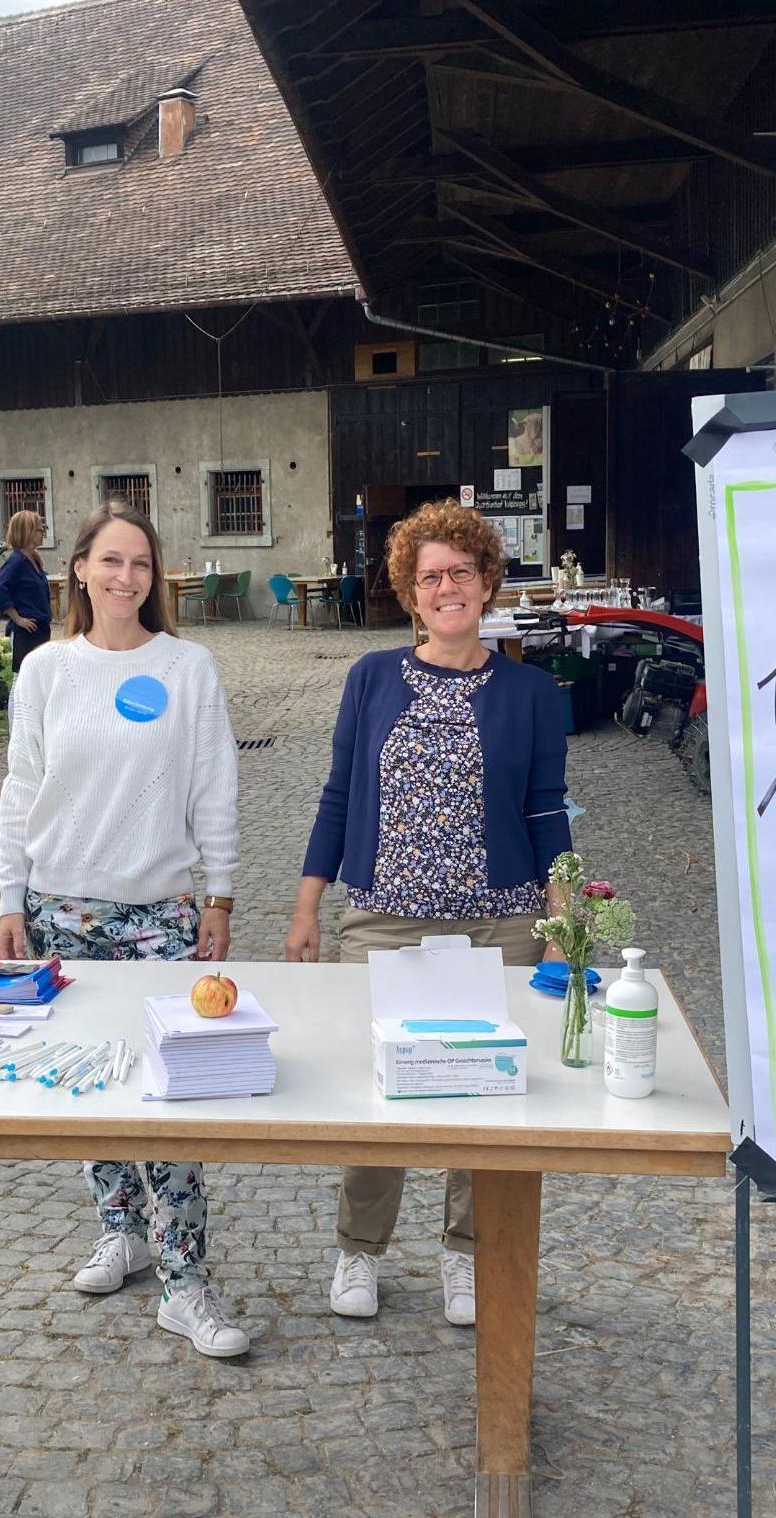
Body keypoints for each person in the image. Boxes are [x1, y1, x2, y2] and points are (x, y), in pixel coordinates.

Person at [284, 499, 571, 1326]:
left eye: (462, 573)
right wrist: (308, 906)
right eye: (429, 576)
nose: (447, 588)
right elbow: (339, 797)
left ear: (487, 583)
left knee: (487, 1094)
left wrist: (561, 926)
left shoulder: (531, 691)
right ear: (411, 593)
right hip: (386, 922)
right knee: (379, 1092)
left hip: (501, 922)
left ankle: (466, 1256)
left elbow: (549, 811)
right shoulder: (371, 678)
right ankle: (358, 1252)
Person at [0, 500, 248, 1358]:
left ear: (155, 576)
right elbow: (20, 793)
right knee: (93, 1084)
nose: (125, 578)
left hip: (161, 918)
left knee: (169, 1094)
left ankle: (185, 1280)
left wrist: (219, 896)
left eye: (140, 563)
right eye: (110, 561)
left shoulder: (189, 669)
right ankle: (121, 1230)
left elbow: (215, 789)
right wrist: (7, 899)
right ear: (78, 570)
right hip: (59, 911)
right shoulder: (46, 673)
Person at [0, 508, 52, 672]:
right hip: (25, 632)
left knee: (38, 679)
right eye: (40, 529)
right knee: (22, 680)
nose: (43, 533)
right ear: (28, 532)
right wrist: (17, 618)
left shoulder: (33, 559)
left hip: (40, 630)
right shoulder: (16, 562)